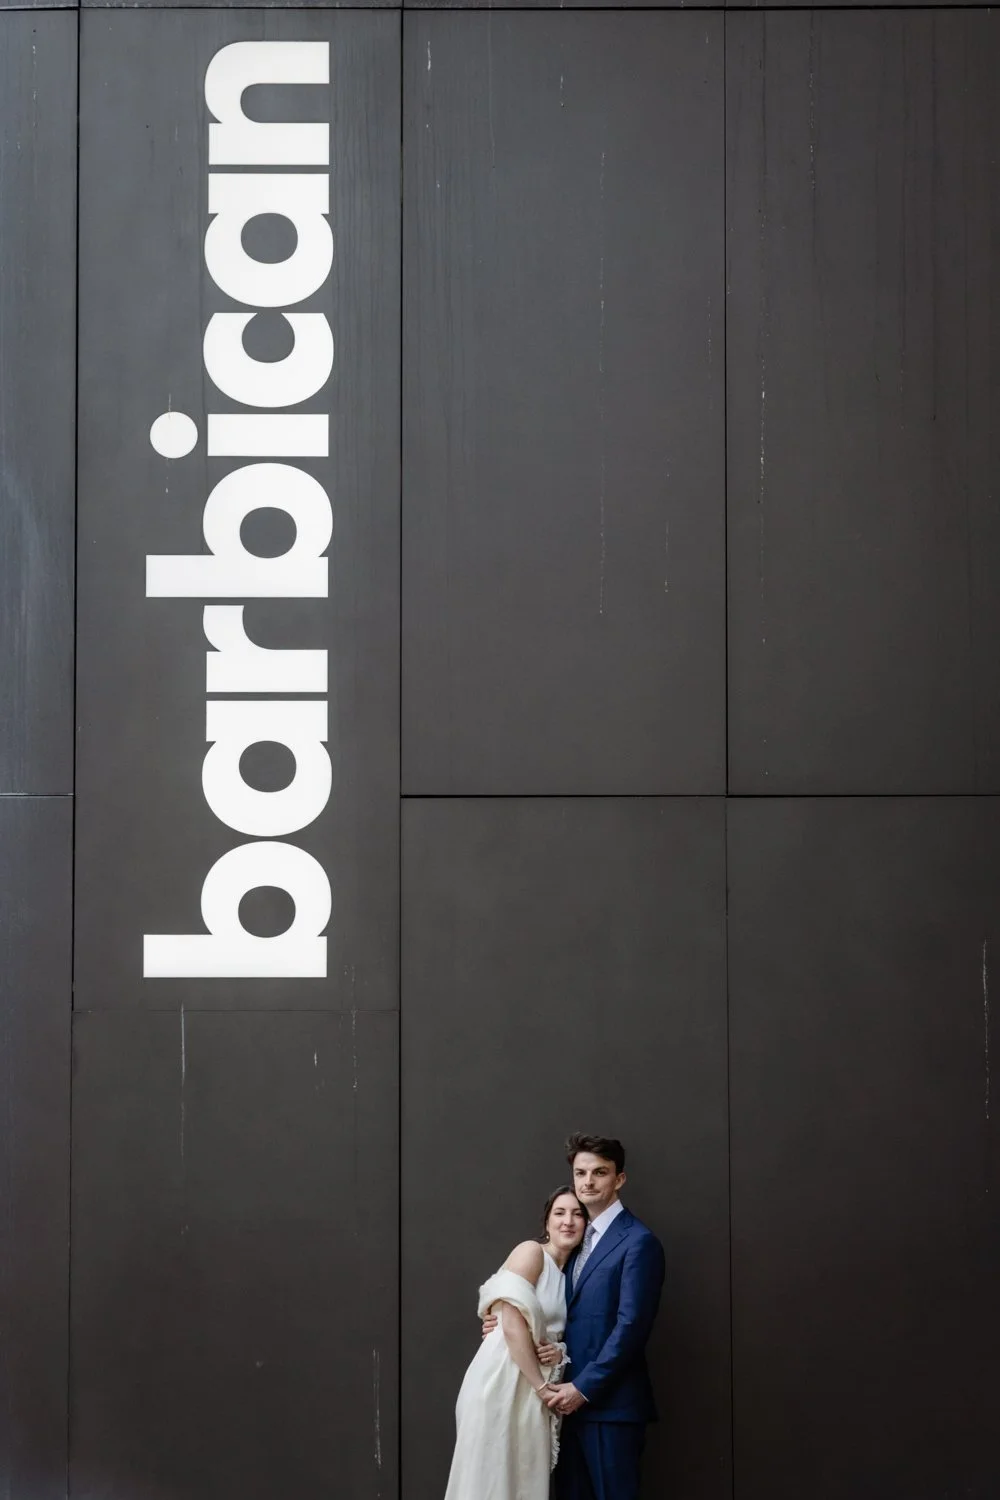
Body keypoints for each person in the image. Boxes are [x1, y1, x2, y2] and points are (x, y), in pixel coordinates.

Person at [483, 1134, 665, 1500]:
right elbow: (559, 1314)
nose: (588, 1181)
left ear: (620, 1179)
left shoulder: (638, 1241)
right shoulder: (575, 1241)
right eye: (581, 1172)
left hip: (609, 1407)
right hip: (562, 1406)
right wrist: (500, 1319)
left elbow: (631, 1327)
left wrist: (583, 1388)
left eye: (600, 1172)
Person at [443, 1186, 588, 1500]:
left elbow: (555, 1330)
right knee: (489, 1478)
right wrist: (542, 1388)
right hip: (503, 1378)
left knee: (521, 1482)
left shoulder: (573, 1275)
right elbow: (510, 1321)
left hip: (532, 1390)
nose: (569, 1221)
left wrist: (559, 1351)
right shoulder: (531, 1252)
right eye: (560, 1213)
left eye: (578, 1214)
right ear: (547, 1222)